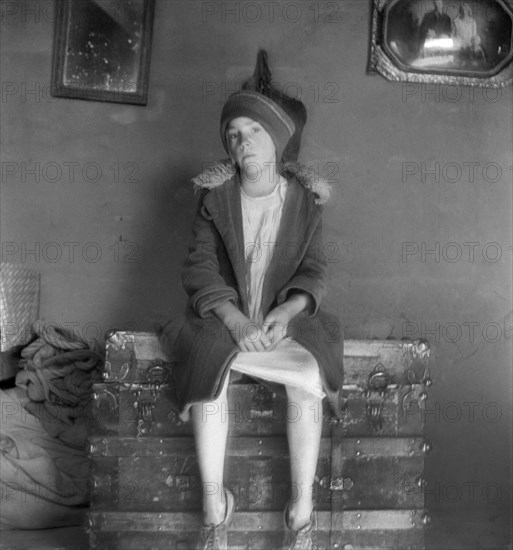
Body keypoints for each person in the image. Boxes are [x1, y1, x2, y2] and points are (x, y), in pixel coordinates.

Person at [165, 52, 344, 550]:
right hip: (225, 321)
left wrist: (286, 314)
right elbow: (198, 268)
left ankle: (301, 515)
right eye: (234, 134)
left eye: (254, 131)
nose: (242, 142)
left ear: (278, 140)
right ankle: (214, 511)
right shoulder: (215, 196)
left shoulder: (304, 201)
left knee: (309, 378)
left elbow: (315, 269)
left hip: (283, 325)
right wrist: (236, 319)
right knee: (209, 375)